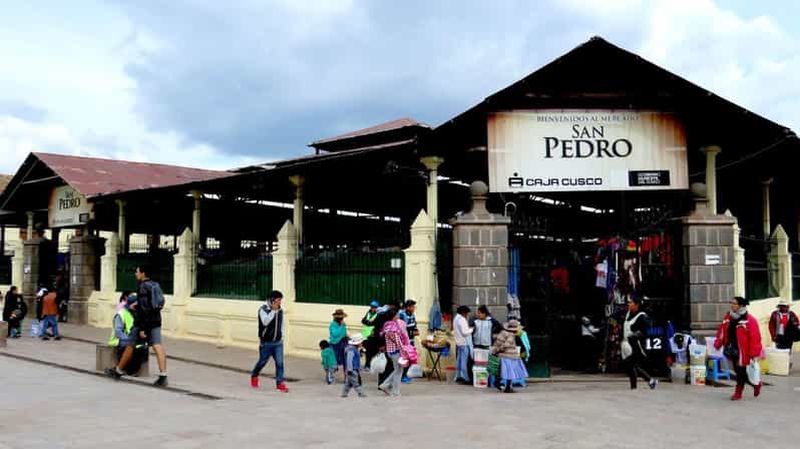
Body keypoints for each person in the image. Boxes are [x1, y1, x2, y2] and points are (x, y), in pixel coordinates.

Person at [714, 296, 763, 401]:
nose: (732, 305)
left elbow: (755, 337)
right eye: (731, 303)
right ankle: (755, 384)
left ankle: (738, 392)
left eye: (734, 303)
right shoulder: (728, 317)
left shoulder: (750, 320)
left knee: (740, 371)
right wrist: (718, 342)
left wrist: (754, 352)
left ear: (741, 305)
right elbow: (722, 330)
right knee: (737, 371)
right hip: (732, 348)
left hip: (743, 351)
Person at [134, 264, 169, 387]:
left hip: (148, 321)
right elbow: (157, 304)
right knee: (158, 346)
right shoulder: (155, 284)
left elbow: (144, 309)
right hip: (157, 319)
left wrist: (143, 327)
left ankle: (124, 369)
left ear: (143, 273)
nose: (136, 274)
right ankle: (163, 375)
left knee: (136, 343)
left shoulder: (143, 287)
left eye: (137, 271)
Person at [250, 290, 289, 393]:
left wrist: (282, 336)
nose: (279, 303)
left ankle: (280, 383)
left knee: (280, 363)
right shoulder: (263, 310)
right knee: (262, 362)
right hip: (266, 343)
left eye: (280, 300)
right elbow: (265, 321)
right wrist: (273, 311)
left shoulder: (280, 310)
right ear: (272, 300)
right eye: (278, 300)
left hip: (278, 343)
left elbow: (282, 325)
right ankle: (254, 375)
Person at [104, 294, 147, 378]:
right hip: (120, 339)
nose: (138, 307)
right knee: (132, 346)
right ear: (131, 304)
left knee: (142, 347)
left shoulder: (137, 313)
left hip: (132, 339)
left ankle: (131, 370)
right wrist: (130, 339)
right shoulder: (121, 314)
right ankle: (122, 369)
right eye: (136, 305)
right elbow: (118, 332)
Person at [621, 296, 657, 390]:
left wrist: (638, 334)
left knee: (629, 364)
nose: (629, 304)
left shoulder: (642, 316)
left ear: (636, 305)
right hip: (626, 344)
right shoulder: (627, 314)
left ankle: (648, 380)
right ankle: (645, 382)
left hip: (636, 345)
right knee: (631, 366)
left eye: (631, 302)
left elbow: (646, 330)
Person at [378, 307, 409, 397]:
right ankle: (396, 392)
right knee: (398, 372)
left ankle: (385, 385)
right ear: (393, 317)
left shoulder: (388, 326)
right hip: (396, 352)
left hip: (392, 352)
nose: (398, 316)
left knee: (398, 370)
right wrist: (404, 351)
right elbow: (398, 342)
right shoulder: (392, 328)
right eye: (396, 315)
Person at [491, 320, 528, 393]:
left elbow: (497, 342)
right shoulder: (511, 335)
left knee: (502, 371)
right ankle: (507, 387)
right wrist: (499, 349)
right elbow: (506, 345)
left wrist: (495, 350)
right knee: (510, 373)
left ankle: (498, 382)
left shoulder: (502, 333)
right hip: (509, 356)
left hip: (501, 356)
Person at [398, 299, 419, 383]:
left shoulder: (413, 315)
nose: (414, 308)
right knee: (404, 358)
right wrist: (411, 331)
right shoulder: (402, 314)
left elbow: (414, 324)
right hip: (404, 341)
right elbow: (402, 328)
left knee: (411, 358)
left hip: (411, 340)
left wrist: (416, 330)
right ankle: (402, 376)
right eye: (412, 307)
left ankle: (405, 374)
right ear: (408, 307)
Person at [453, 305, 473, 384]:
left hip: (459, 342)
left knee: (459, 361)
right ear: (463, 312)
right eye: (466, 313)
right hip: (464, 342)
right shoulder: (461, 319)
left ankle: (458, 376)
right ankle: (464, 377)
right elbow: (465, 332)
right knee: (464, 361)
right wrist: (471, 329)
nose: (467, 315)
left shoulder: (455, 319)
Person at [361, 300, 381, 370]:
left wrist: (368, 322)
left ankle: (371, 364)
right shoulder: (369, 312)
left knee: (373, 351)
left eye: (374, 307)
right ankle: (367, 364)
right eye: (372, 307)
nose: (372, 308)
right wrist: (368, 322)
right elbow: (363, 320)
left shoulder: (378, 314)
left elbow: (372, 323)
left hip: (373, 335)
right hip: (365, 334)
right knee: (367, 351)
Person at [329, 309, 348, 380]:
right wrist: (341, 327)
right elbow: (335, 334)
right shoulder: (333, 325)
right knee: (334, 361)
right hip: (335, 344)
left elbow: (344, 333)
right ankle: (330, 375)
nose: (341, 319)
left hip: (343, 343)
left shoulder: (343, 324)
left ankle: (346, 377)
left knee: (345, 361)